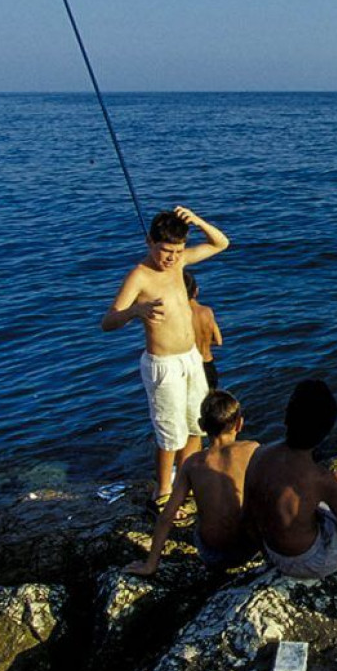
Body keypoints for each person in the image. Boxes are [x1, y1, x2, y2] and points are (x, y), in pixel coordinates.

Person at [101, 206, 230, 513]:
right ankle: (163, 492)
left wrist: (196, 220)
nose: (171, 258)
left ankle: (188, 484)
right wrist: (135, 311)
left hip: (191, 359)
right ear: (150, 242)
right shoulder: (139, 276)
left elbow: (220, 243)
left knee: (196, 426)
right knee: (169, 432)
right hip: (164, 364)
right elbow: (107, 321)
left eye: (177, 250)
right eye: (164, 250)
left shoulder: (179, 263)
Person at [245, 379, 337, 578]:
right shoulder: (319, 478)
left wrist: (268, 554)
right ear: (325, 432)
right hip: (309, 562)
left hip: (273, 552)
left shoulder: (258, 454)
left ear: (286, 417)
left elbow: (247, 516)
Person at [126, 389, 259, 575]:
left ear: (201, 425)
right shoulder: (252, 450)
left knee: (199, 520)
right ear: (240, 424)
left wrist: (150, 565)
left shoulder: (192, 464)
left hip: (213, 555)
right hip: (251, 549)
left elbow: (166, 517)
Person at [184, 271, 224, 390]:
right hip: (209, 365)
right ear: (196, 291)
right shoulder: (207, 311)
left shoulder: (181, 316)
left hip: (192, 368)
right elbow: (219, 341)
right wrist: (205, 342)